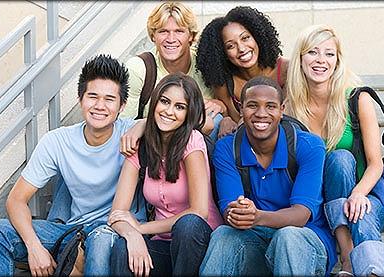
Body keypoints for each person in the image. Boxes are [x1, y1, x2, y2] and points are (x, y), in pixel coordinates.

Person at [0, 54, 146, 276]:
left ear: (122, 106)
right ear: (80, 99)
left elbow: (175, 119)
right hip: (73, 230)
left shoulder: (130, 132)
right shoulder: (57, 141)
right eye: (92, 96)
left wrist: (144, 124)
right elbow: (16, 200)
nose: (100, 106)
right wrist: (34, 247)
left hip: (115, 230)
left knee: (99, 245)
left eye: (109, 99)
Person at [199, 76, 336, 276]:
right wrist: (238, 213)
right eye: (252, 105)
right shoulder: (227, 148)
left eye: (270, 106)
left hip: (304, 243)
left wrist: (257, 217)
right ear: (240, 108)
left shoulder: (308, 146)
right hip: (256, 242)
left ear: (282, 110)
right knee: (223, 235)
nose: (261, 114)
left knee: (287, 237)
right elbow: (229, 209)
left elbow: (300, 215)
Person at [285, 24, 384, 276]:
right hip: (317, 202)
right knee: (335, 160)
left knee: (343, 164)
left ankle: (354, 262)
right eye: (313, 52)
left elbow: (376, 163)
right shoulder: (289, 107)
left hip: (363, 195)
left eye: (329, 54)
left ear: (338, 60)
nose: (321, 60)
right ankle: (348, 253)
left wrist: (358, 194)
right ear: (300, 59)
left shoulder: (357, 99)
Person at [109, 72, 223, 276]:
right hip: (163, 245)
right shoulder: (140, 146)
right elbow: (117, 214)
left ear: (189, 113)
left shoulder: (192, 141)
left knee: (187, 225)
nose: (169, 111)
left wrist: (143, 229)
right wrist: (132, 235)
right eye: (164, 101)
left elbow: (199, 212)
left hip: (199, 243)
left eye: (180, 107)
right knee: (122, 249)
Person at [120, 1, 226, 140]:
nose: (171, 39)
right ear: (153, 36)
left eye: (179, 31)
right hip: (152, 142)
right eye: (163, 31)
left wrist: (222, 108)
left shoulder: (206, 63)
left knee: (215, 119)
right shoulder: (139, 68)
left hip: (198, 144)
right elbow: (124, 125)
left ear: (191, 36)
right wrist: (146, 124)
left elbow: (233, 105)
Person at [196, 6, 289, 138]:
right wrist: (225, 119)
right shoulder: (225, 82)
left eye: (245, 38)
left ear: (258, 37)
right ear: (223, 54)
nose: (241, 48)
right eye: (230, 46)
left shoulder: (285, 70)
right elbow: (229, 118)